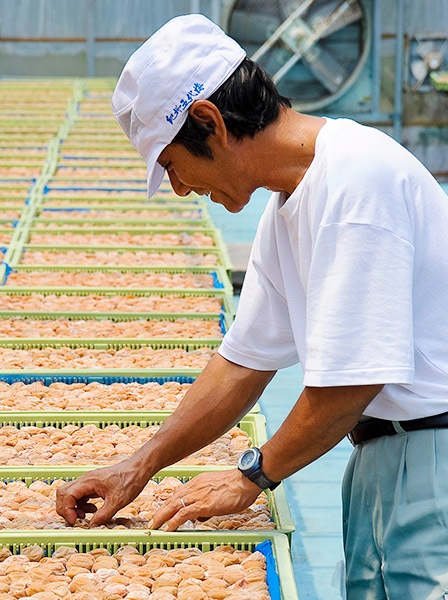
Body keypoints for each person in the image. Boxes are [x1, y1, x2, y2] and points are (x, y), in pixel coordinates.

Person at [55, 13, 448, 599]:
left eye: (172, 166)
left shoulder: (356, 183)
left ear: (208, 121)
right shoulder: (290, 206)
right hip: (380, 457)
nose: (183, 188)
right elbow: (243, 361)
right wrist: (138, 465)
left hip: (432, 461)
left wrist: (252, 474)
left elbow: (353, 382)